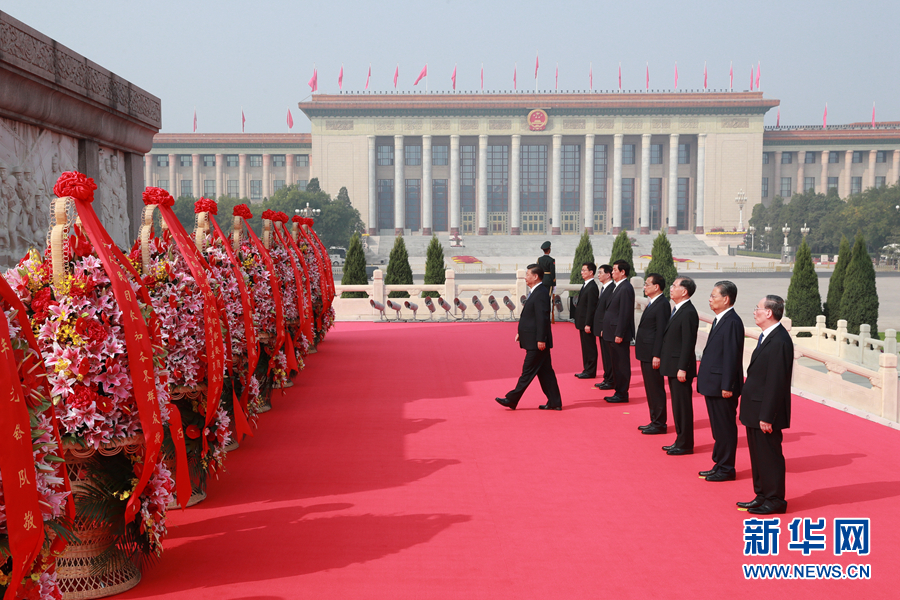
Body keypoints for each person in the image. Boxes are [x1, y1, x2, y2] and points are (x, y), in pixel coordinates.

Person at [738, 295, 793, 515]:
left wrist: (767, 415)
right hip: (755, 408)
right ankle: (761, 495)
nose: (755, 312)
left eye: (757, 308)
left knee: (769, 456)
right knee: (758, 455)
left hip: (765, 412)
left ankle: (775, 499)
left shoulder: (780, 340)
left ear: (769, 312)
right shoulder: (767, 336)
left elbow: (777, 382)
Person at [495, 264, 562, 411]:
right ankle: (555, 401)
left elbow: (542, 318)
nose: (525, 277)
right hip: (533, 338)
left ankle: (512, 399)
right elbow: (530, 317)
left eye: (527, 275)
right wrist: (522, 332)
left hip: (537, 342)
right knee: (546, 373)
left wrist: (541, 339)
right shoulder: (535, 292)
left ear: (535, 276)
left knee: (527, 371)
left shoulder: (541, 293)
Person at [696, 281, 745, 482]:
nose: (710, 299)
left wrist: (727, 385)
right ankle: (719, 463)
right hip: (713, 383)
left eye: (713, 296)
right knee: (718, 428)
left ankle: (726, 468)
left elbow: (732, 356)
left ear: (726, 299)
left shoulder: (732, 321)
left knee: (725, 427)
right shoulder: (720, 319)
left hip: (722, 386)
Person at [660, 277, 700, 455]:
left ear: (684, 291)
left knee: (683, 407)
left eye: (675, 286)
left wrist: (683, 367)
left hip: (680, 368)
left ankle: (685, 444)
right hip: (673, 365)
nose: (671, 288)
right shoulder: (678, 309)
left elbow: (688, 343)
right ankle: (679, 439)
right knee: (677, 406)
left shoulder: (688, 312)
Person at [635, 273, 669, 434]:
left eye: (647, 284)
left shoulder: (662, 304)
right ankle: (654, 419)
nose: (644, 287)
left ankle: (659, 423)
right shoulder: (653, 302)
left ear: (656, 287)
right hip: (646, 352)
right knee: (650, 388)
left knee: (655, 388)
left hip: (652, 354)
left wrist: (657, 354)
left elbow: (661, 331)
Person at [601, 259, 635, 403]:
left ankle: (622, 393)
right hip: (611, 331)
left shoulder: (626, 288)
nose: (612, 272)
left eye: (615, 270)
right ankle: (618, 390)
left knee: (621, 364)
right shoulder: (618, 286)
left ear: (623, 272)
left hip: (618, 333)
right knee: (615, 363)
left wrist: (619, 333)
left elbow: (625, 313)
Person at [573, 262, 599, 379]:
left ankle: (590, 371)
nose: (582, 272)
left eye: (584, 270)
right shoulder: (586, 285)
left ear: (591, 272)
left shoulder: (592, 287)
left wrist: (588, 323)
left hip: (587, 323)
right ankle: (586, 369)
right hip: (582, 322)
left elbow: (591, 307)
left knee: (590, 347)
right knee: (585, 347)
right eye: (582, 270)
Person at [591, 264, 616, 390]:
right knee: (605, 355)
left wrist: (603, 327)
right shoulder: (604, 288)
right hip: (602, 327)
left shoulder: (611, 288)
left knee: (609, 355)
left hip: (606, 328)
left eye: (601, 272)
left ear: (608, 274)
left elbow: (608, 311)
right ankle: (607, 378)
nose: (598, 275)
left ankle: (611, 380)